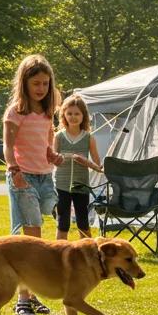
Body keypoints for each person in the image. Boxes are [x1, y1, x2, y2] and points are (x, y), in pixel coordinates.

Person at [3, 54, 63, 315]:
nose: (41, 89)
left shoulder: (48, 112)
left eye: (45, 84)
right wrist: (14, 171)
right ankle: (23, 299)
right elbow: (7, 145)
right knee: (32, 239)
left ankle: (33, 293)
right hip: (23, 176)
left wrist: (51, 155)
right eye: (36, 83)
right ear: (24, 83)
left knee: (42, 230)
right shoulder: (16, 112)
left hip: (44, 177)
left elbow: (46, 143)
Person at [54, 94, 103, 239]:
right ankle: (59, 250)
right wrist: (64, 157)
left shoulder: (89, 137)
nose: (73, 117)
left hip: (81, 185)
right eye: (69, 113)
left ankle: (87, 251)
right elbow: (53, 158)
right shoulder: (59, 136)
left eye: (77, 113)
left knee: (83, 220)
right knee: (63, 221)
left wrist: (86, 162)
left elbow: (97, 164)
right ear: (64, 115)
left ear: (83, 116)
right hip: (62, 184)